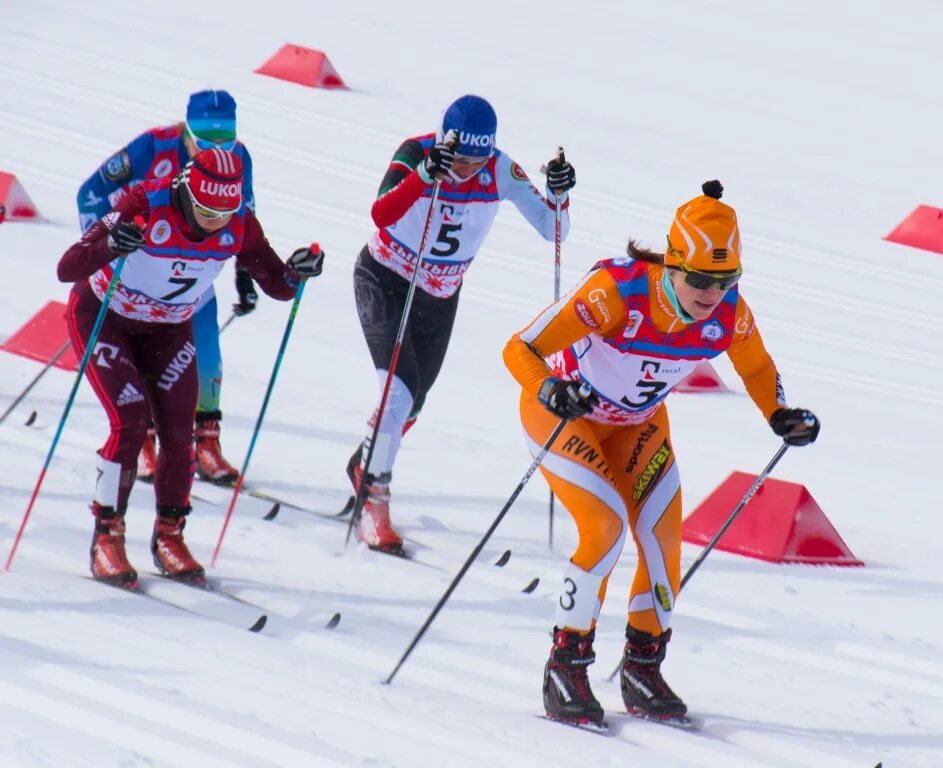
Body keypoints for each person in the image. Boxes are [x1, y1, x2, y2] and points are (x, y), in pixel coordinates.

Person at [502, 181, 821, 726]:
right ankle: (566, 666)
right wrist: (550, 390)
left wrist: (779, 413)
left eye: (725, 280)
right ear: (672, 265)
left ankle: (642, 667)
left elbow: (757, 367)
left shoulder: (728, 315)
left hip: (638, 427)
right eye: (699, 279)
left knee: (664, 540)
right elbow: (520, 347)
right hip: (566, 420)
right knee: (603, 530)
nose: (710, 293)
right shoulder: (615, 293)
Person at [57, 147, 325, 587]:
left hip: (167, 330)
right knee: (130, 420)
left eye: (225, 212)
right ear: (185, 193)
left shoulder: (238, 223)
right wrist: (110, 245)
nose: (214, 222)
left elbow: (277, 283)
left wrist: (299, 274)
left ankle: (169, 535)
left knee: (181, 432)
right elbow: (68, 266)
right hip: (106, 318)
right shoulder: (144, 203)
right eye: (204, 211)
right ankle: (107, 535)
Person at [348, 94, 577, 555]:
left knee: (413, 403)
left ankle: (366, 462)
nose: (470, 169)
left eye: (480, 158)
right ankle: (374, 497)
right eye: (463, 159)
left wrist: (559, 194)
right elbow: (381, 214)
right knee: (398, 390)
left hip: (439, 296)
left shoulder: (498, 169)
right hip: (386, 280)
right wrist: (424, 177)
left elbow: (554, 229)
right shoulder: (415, 153)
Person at [77, 89, 260, 486]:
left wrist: (245, 275)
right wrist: (99, 250)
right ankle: (143, 442)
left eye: (226, 141)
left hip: (192, 279)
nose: (216, 150)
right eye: (205, 141)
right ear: (187, 132)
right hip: (141, 275)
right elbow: (89, 194)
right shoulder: (154, 146)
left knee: (208, 359)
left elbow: (245, 217)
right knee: (143, 359)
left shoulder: (238, 159)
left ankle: (206, 444)